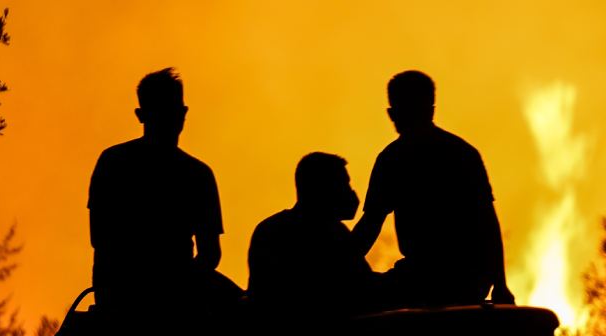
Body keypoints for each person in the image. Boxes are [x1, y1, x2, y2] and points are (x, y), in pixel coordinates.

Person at [352, 70, 515, 307]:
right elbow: (488, 223)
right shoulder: (462, 152)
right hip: (457, 277)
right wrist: (500, 284)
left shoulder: (393, 159)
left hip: (446, 278)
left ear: (392, 113)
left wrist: (501, 285)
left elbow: (370, 225)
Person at [87, 67, 238, 314]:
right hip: (133, 296)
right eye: (165, 111)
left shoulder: (113, 161)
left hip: (144, 292)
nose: (173, 118)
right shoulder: (196, 174)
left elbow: (210, 254)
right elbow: (102, 240)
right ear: (141, 115)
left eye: (176, 111)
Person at [248, 152, 377, 316]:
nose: (351, 193)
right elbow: (362, 286)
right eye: (343, 185)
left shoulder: (269, 228)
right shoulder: (324, 234)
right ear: (321, 189)